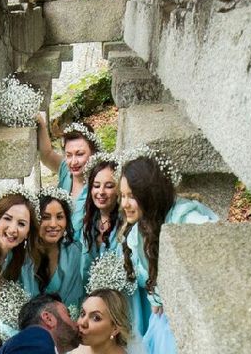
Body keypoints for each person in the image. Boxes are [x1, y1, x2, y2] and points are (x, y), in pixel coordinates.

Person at [119, 150, 218, 354]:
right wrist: (156, 299)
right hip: (163, 321)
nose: (124, 204)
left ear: (149, 194)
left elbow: (215, 246)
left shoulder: (185, 220)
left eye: (131, 196)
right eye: (122, 196)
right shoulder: (139, 230)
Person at [0, 186, 42, 328]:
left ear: (28, 232)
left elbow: (30, 300)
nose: (12, 229)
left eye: (21, 224)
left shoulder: (24, 260)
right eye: (7, 219)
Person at [37, 115, 102, 241]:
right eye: (68, 155)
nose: (73, 162)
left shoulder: (99, 186)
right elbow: (47, 155)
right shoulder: (66, 171)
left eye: (80, 154)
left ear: (93, 153)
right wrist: (41, 124)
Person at [23, 187, 84, 310]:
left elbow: (74, 298)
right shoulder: (23, 254)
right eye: (46, 217)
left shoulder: (74, 251)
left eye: (60, 217)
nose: (53, 224)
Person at [80, 154, 121, 283]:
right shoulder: (87, 223)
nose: (101, 192)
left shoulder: (126, 224)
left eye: (109, 186)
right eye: (96, 186)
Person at [0, 293, 81, 354]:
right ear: (48, 319)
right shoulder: (36, 341)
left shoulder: (29, 341)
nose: (76, 324)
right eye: (69, 315)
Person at [72, 289, 132, 354]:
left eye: (96, 318)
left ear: (115, 329)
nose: (82, 323)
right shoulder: (76, 348)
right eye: (83, 314)